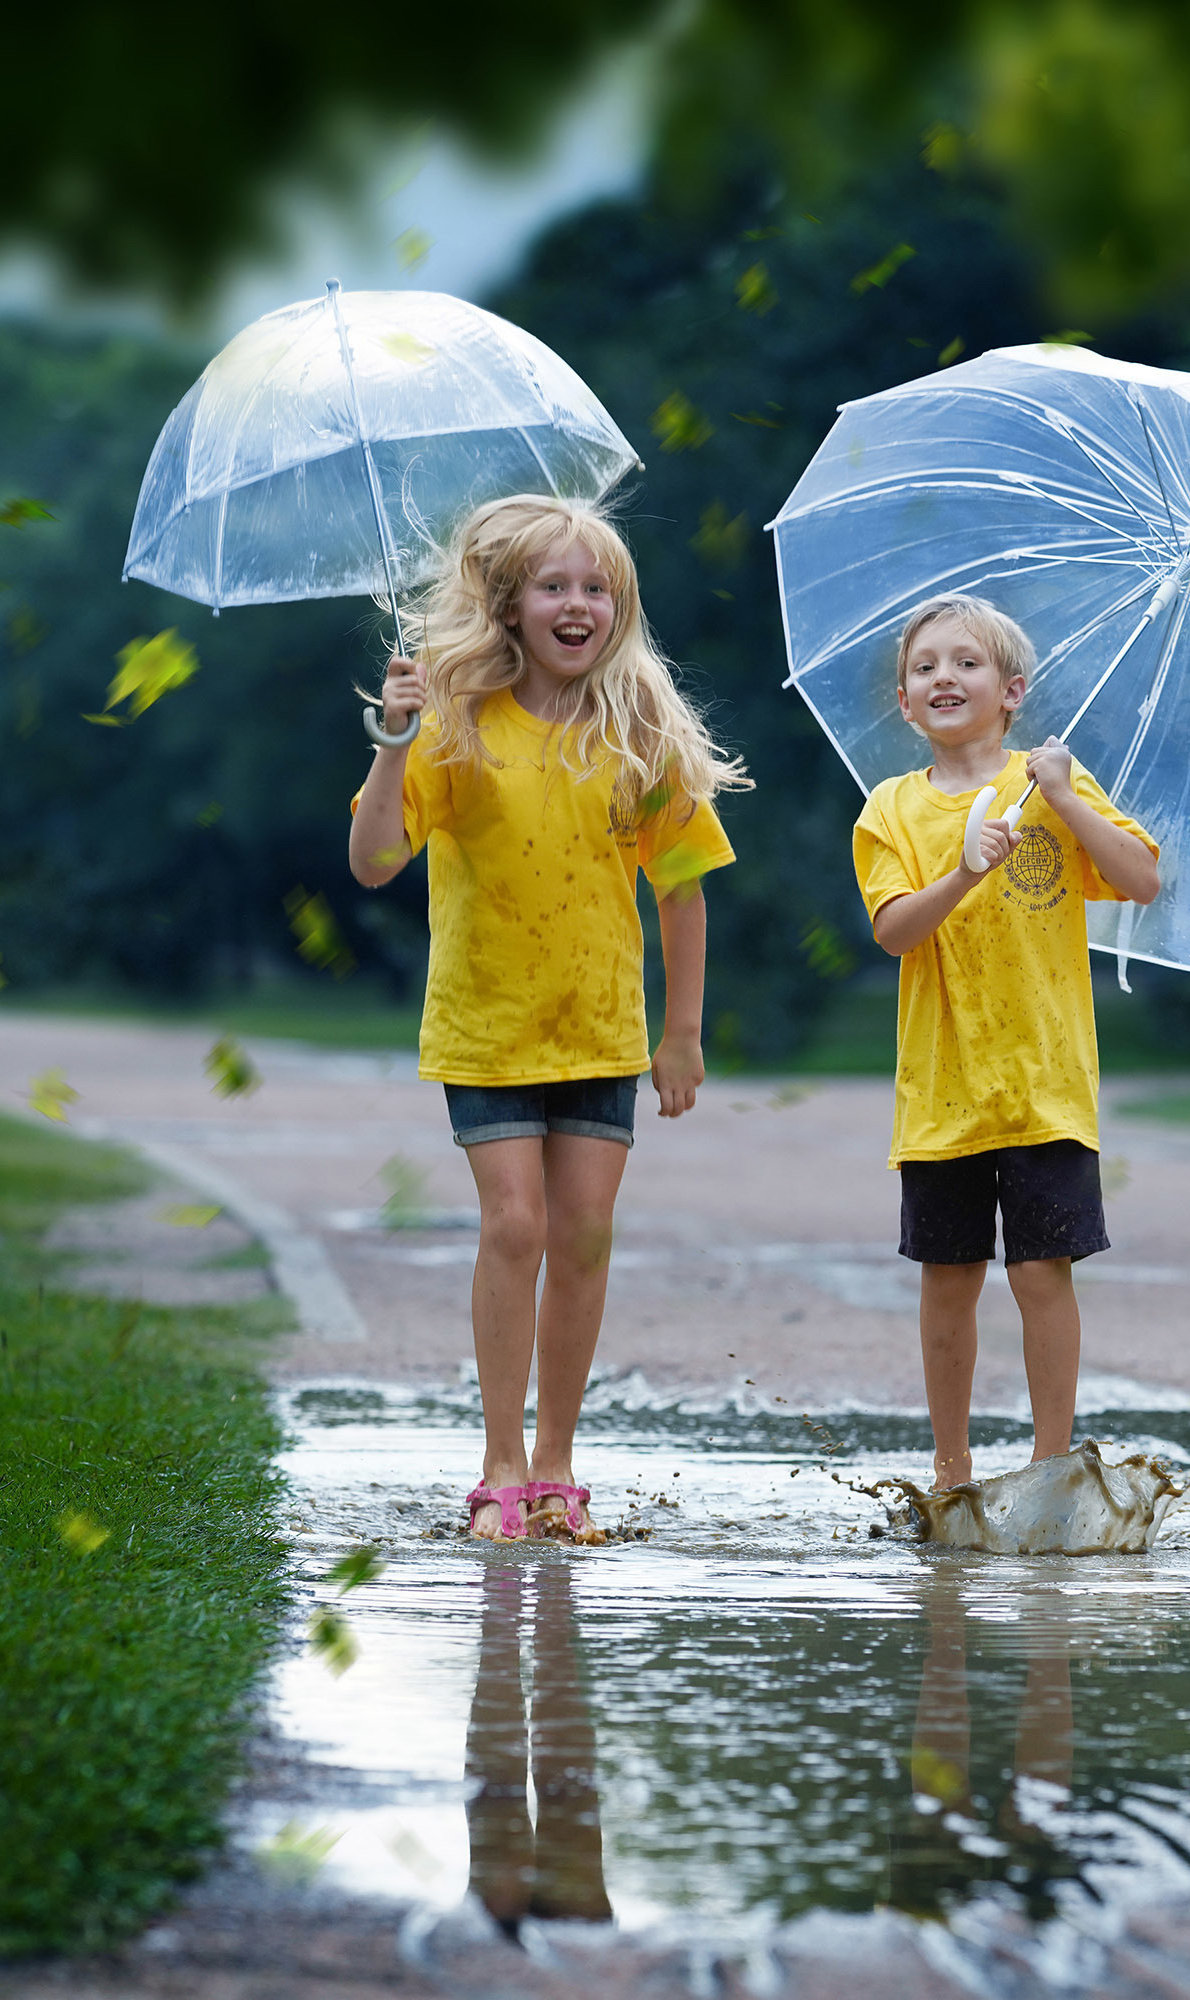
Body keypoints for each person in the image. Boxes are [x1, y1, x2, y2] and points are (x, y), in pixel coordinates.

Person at [350, 495, 746, 1542]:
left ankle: (559, 1465)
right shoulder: (455, 725)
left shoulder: (638, 732)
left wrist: (683, 1032)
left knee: (582, 1234)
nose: (577, 604)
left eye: (595, 586)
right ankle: (501, 1464)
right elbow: (375, 859)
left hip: (600, 1029)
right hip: (486, 1023)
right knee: (514, 1223)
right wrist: (393, 739)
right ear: (508, 606)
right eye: (553, 586)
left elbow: (682, 889)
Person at [851, 594, 1160, 1492]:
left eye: (967, 662)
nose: (944, 676)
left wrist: (1064, 795)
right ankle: (951, 1471)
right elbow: (895, 932)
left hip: (1046, 1083)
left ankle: (1052, 1465)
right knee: (949, 1276)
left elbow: (1140, 877)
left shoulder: (1052, 785)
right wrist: (964, 868)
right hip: (944, 1091)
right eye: (924, 667)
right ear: (907, 705)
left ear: (1012, 690)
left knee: (1039, 1269)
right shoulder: (891, 809)